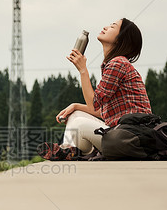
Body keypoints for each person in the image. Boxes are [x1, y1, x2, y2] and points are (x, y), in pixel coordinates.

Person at [51, 17, 151, 157]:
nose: (105, 27)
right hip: (124, 135)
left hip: (131, 137)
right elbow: (103, 111)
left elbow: (93, 103)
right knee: (76, 115)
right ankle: (75, 152)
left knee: (79, 124)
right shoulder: (114, 64)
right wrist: (75, 106)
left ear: (120, 39)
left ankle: (69, 151)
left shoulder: (118, 63)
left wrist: (83, 70)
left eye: (112, 27)